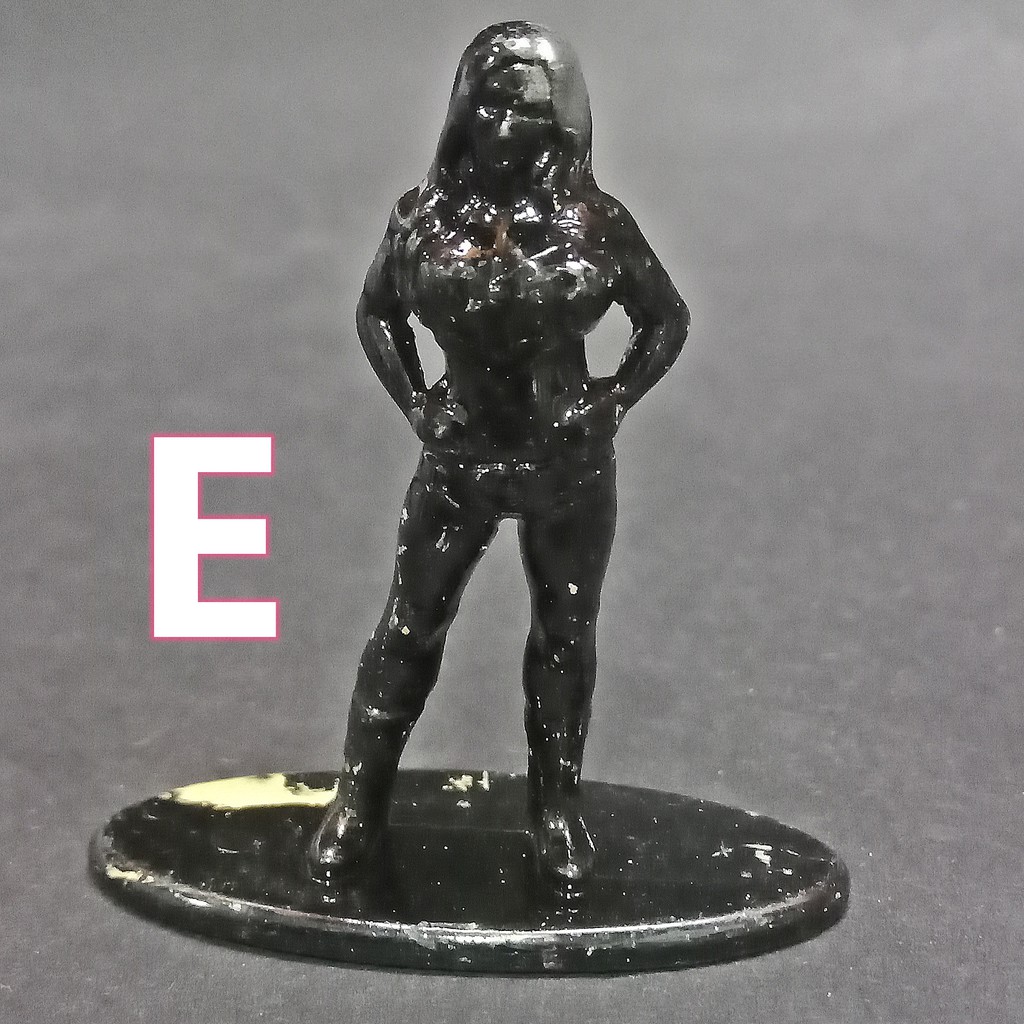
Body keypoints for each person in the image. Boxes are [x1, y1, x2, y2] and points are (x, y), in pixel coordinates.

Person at [310, 21, 689, 884]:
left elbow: (666, 319)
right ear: (461, 113)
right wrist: (416, 402)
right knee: (411, 624)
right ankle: (358, 802)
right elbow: (376, 312)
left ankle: (556, 806)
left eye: (527, 110)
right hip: (461, 464)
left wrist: (613, 399)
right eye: (489, 105)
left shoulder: (595, 226)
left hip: (567, 467)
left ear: (562, 123)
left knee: (565, 631)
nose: (506, 126)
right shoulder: (423, 219)